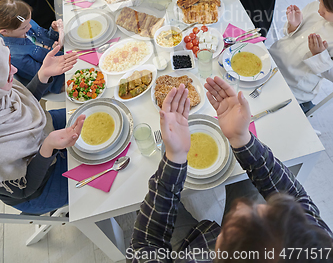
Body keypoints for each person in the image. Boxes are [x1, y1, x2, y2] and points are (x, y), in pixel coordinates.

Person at [129, 80, 332, 262]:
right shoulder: (318, 247)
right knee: (247, 184)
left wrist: (174, 159)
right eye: (267, 212)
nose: (241, 205)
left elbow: (145, 246)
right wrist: (241, 139)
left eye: (236, 228)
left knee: (141, 199)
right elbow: (295, 198)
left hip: (188, 251)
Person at [0, 39, 84, 214]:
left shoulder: (2, 88)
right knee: (103, 166)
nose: (14, 71)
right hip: (40, 187)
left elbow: (24, 104)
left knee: (93, 115)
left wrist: (42, 75)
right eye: (8, 74)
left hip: (45, 130)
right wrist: (48, 146)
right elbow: (26, 188)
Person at [270, 0, 333, 113]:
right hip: (273, 59)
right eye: (320, 1)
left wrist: (319, 56)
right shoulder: (315, 8)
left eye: (327, 9)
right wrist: (294, 25)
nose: (319, 10)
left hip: (293, 85)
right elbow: (290, 35)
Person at [0, 0, 65, 94]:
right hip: (59, 80)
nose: (30, 26)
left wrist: (54, 31)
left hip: (63, 57)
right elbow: (44, 75)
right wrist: (55, 50)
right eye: (24, 27)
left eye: (30, 21)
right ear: (4, 31)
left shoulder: (23, 22)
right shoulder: (15, 56)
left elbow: (46, 37)